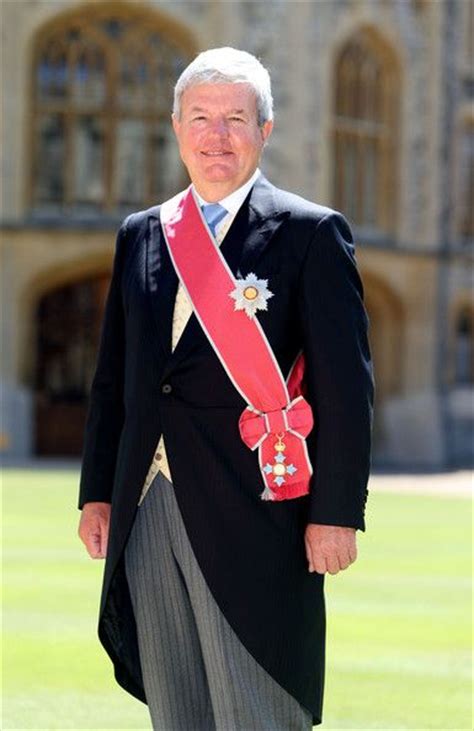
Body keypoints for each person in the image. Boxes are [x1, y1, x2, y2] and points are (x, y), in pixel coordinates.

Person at [78, 47, 374, 730]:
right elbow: (114, 380)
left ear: (264, 131)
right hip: (146, 504)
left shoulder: (310, 233)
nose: (217, 137)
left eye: (236, 119)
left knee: (257, 704)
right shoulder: (142, 235)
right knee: (177, 707)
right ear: (177, 127)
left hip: (257, 503)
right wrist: (98, 492)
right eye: (202, 118)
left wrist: (338, 512)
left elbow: (345, 387)